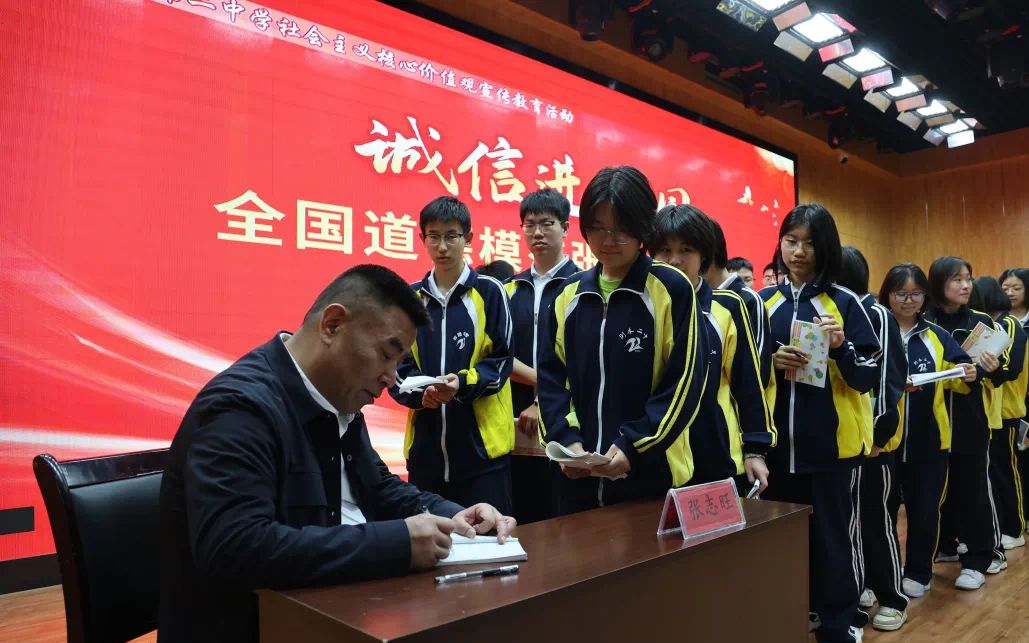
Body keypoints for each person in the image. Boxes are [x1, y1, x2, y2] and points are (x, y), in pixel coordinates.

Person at [158, 265, 516, 643]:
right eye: (386, 355)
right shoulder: (241, 408)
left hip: (325, 618)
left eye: (399, 363)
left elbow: (378, 486)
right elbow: (235, 549)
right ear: (332, 325)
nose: (392, 378)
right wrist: (396, 544)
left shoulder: (339, 400)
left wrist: (451, 515)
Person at [537, 166, 705, 515]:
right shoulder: (567, 295)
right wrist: (566, 441)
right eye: (597, 227)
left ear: (643, 227)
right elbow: (552, 380)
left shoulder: (670, 288)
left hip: (651, 477)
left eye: (621, 228)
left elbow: (684, 382)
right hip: (577, 481)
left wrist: (633, 445)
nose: (608, 240)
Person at [758, 204, 880, 643]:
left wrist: (841, 347)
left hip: (831, 448)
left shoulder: (845, 303)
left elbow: (867, 377)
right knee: (783, 540)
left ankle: (839, 622)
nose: (798, 251)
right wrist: (770, 362)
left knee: (832, 539)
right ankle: (796, 612)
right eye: (791, 241)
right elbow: (745, 373)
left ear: (825, 247)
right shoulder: (762, 303)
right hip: (775, 450)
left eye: (809, 243)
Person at [390, 196, 515, 513]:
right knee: (430, 541)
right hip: (425, 457)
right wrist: (422, 394)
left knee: (489, 540)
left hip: (483, 456)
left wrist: (462, 383)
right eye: (433, 236)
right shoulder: (409, 298)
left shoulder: (490, 291)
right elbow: (395, 367)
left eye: (451, 236)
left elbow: (501, 362)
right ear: (422, 238)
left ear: (468, 238)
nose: (442, 246)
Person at [650, 204, 774, 492]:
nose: (674, 260)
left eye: (686, 250)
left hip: (715, 454)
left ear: (704, 255)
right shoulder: (643, 307)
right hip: (654, 457)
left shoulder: (728, 307)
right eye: (665, 250)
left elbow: (748, 383)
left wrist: (755, 449)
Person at [879, 264, 975, 601]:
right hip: (882, 442)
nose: (908, 301)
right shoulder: (876, 329)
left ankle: (919, 572)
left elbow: (960, 377)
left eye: (916, 294)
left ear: (925, 296)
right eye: (901, 293)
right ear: (887, 294)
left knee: (924, 511)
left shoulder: (937, 336)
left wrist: (967, 372)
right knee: (881, 512)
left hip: (930, 441)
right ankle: (882, 575)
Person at [838, 247, 907, 632]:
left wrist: (879, 435)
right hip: (839, 442)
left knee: (877, 521)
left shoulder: (875, 313)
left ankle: (893, 597)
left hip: (874, 444)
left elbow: (888, 380)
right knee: (846, 523)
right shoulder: (826, 309)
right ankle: (860, 584)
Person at [927, 257, 1006, 590]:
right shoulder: (925, 320)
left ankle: (979, 558)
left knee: (973, 490)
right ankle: (943, 547)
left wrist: (988, 367)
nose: (965, 285)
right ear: (938, 282)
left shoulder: (980, 321)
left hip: (970, 420)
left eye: (968, 279)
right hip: (929, 420)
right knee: (933, 492)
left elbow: (999, 372)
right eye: (957, 279)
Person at [504, 188, 580, 524]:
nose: (537, 232)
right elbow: (500, 355)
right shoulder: (510, 289)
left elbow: (583, 360)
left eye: (547, 223)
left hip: (568, 424)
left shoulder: (583, 286)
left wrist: (543, 399)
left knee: (563, 519)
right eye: (529, 224)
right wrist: (541, 386)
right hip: (515, 426)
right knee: (521, 518)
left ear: (565, 228)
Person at [973, 276, 1027, 549]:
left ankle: (1015, 528)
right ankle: (1000, 525)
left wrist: (984, 371)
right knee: (993, 473)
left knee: (1007, 471)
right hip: (987, 411)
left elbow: (1011, 368)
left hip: (1007, 410)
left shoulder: (1009, 324)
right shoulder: (984, 325)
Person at [705, 219, 771, 393]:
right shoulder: (695, 296)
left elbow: (757, 374)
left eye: (687, 250)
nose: (675, 261)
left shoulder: (749, 300)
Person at [1001, 268, 1029, 523]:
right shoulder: (999, 322)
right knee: (1016, 461)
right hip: (1011, 399)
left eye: (1016, 288)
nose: (1010, 292)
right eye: (1005, 288)